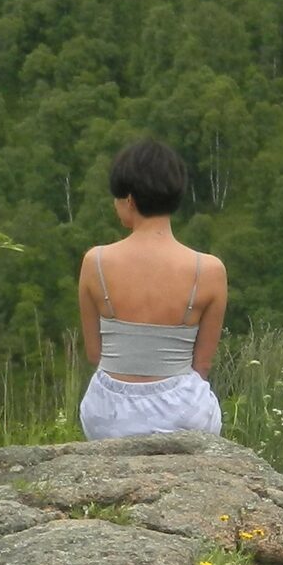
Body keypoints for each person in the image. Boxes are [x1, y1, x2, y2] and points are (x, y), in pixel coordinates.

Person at [78, 137, 227, 440]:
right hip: (182, 415)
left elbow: (95, 355)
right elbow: (202, 365)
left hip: (108, 416)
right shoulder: (210, 271)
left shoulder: (95, 262)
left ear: (129, 200)